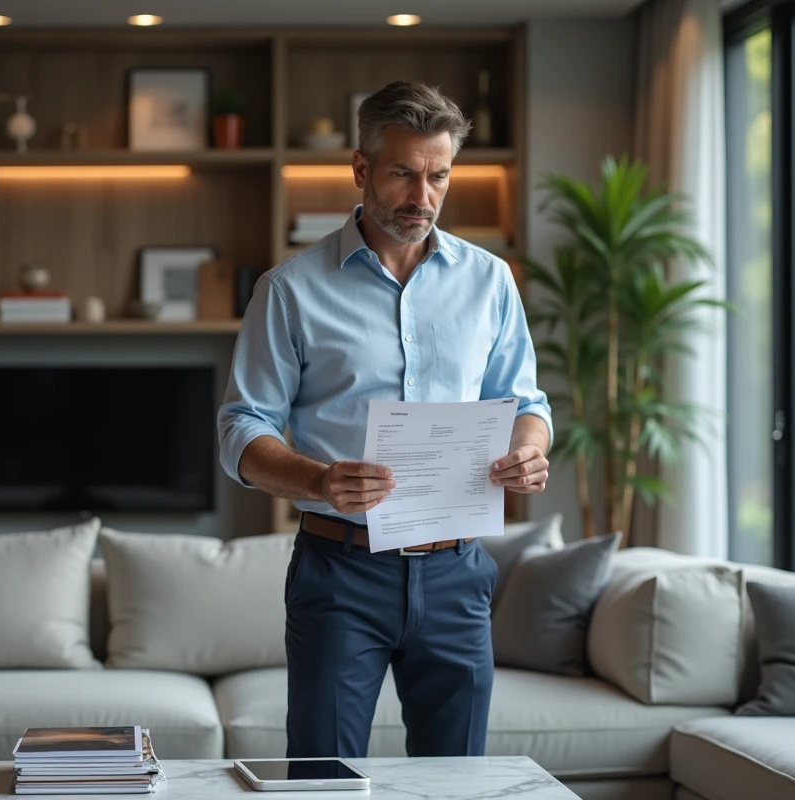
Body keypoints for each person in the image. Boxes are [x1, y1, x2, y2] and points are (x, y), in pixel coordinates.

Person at [216, 81, 552, 759]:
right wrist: (318, 479)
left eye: (439, 176)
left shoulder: (490, 282)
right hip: (341, 571)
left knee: (455, 784)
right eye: (403, 174)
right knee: (324, 778)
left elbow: (526, 404)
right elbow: (241, 429)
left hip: (457, 572)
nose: (422, 197)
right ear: (362, 169)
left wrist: (528, 449)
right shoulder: (290, 289)